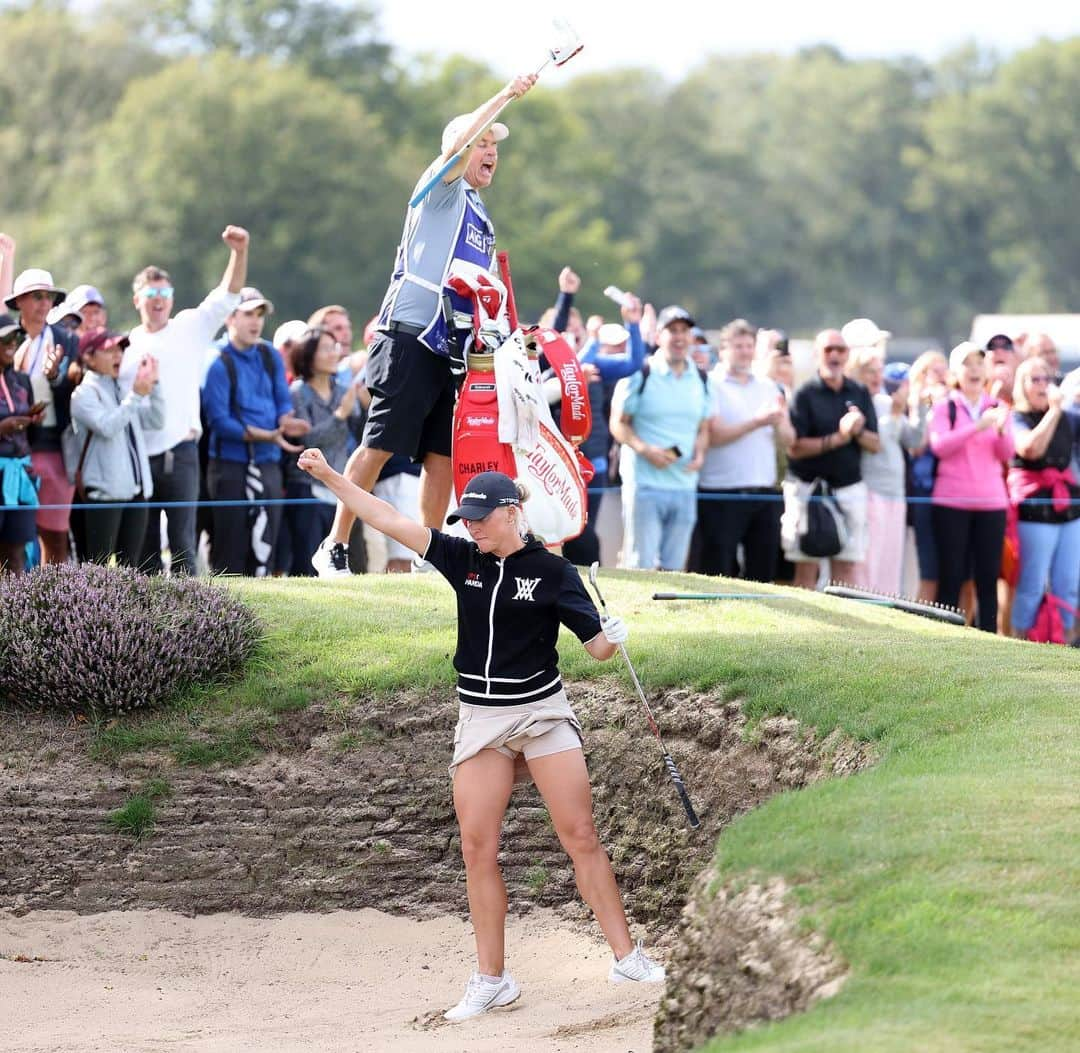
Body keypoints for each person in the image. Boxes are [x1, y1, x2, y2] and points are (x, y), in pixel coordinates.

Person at [295, 455, 665, 1019]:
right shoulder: (459, 556)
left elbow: (595, 649)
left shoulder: (554, 572)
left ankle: (626, 957)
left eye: (481, 518)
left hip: (542, 713)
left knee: (580, 834)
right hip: (483, 718)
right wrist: (329, 477)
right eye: (465, 518)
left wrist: (613, 636)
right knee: (477, 848)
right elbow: (387, 517)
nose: (470, 527)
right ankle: (492, 978)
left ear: (513, 513)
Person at [311, 72, 539, 578]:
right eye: (482, 141)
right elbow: (457, 149)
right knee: (380, 444)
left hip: (449, 350)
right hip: (408, 337)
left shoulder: (480, 210)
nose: (490, 151)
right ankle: (334, 544)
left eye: (494, 146)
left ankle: (426, 555)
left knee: (442, 457)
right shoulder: (441, 186)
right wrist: (505, 96)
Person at [120, 226, 250, 574]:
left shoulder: (187, 327)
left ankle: (190, 620)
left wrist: (239, 252)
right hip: (139, 456)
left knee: (182, 541)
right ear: (137, 300)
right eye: (151, 293)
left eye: (165, 292)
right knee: (143, 545)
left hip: (182, 452)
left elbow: (228, 295)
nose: (159, 299)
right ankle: (142, 623)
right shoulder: (126, 347)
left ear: (172, 299)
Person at [201, 288, 309, 576]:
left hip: (268, 461)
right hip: (229, 466)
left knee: (266, 544)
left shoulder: (269, 354)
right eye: (249, 313)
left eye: (260, 314)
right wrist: (268, 434)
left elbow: (281, 399)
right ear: (230, 318)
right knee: (230, 549)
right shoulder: (216, 361)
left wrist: (286, 421)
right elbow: (220, 422)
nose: (256, 321)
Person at [610, 305, 713, 571]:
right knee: (640, 566)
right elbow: (618, 424)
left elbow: (703, 427)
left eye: (684, 331)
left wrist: (700, 454)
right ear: (658, 336)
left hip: (684, 485)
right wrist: (645, 450)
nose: (679, 337)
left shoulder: (701, 378)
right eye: (672, 331)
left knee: (674, 570)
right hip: (645, 484)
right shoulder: (639, 373)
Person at [695, 318, 793, 581]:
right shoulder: (710, 384)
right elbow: (714, 436)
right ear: (723, 350)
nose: (745, 351)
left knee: (762, 575)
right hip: (720, 491)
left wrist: (781, 422)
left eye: (749, 346)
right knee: (717, 571)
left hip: (764, 491)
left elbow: (789, 438)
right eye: (738, 346)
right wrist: (758, 422)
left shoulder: (768, 386)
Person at [783, 329, 880, 589]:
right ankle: (802, 628)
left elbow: (875, 444)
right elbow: (795, 448)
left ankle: (841, 629)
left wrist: (857, 430)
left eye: (840, 350)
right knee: (806, 567)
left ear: (847, 355)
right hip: (808, 490)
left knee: (845, 570)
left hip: (848, 488)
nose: (834, 355)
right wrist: (837, 438)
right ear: (817, 355)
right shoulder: (804, 394)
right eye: (828, 350)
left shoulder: (858, 391)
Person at [929, 342, 1014, 632]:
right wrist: (977, 426)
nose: (975, 370)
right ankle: (944, 637)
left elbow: (1006, 454)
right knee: (952, 577)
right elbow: (940, 446)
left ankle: (988, 639)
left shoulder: (998, 407)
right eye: (968, 364)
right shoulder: (945, 407)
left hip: (991, 503)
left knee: (987, 579)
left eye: (979, 364)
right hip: (951, 503)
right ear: (957, 371)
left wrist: (1000, 432)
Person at [5, 267, 80, 564]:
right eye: (37, 296)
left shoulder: (67, 340)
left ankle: (54, 602)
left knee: (54, 535)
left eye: (49, 296)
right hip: (15, 449)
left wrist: (55, 378)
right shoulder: (9, 340)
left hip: (56, 448)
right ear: (20, 301)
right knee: (13, 536)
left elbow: (73, 391)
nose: (44, 303)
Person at [68, 331, 163, 567]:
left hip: (136, 492)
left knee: (130, 567)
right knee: (96, 568)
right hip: (104, 494)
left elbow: (156, 421)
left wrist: (155, 385)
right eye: (110, 350)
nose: (118, 355)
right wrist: (136, 395)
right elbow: (108, 426)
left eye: (120, 350)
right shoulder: (83, 394)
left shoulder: (121, 390)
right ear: (89, 358)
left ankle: (128, 607)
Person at [1007, 357, 1080, 638]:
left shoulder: (1069, 417)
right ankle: (1020, 645)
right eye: (1034, 380)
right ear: (1022, 385)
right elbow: (1030, 449)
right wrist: (1053, 411)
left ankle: (1067, 646)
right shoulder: (1016, 417)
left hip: (1069, 511)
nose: (1041, 385)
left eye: (1046, 379)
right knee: (1032, 585)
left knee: (1069, 584)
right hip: (1034, 513)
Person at [285, 326, 363, 576]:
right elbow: (310, 440)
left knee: (351, 562)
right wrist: (340, 415)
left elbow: (359, 430)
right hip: (308, 488)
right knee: (306, 564)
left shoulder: (343, 390)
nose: (334, 354)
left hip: (341, 487)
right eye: (327, 349)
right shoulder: (297, 393)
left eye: (335, 348)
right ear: (308, 355)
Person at [849, 358, 926, 595]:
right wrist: (895, 414)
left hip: (895, 494)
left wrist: (919, 408)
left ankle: (886, 614)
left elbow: (912, 439)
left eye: (878, 372)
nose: (875, 377)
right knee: (867, 565)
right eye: (868, 371)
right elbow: (877, 443)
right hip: (869, 492)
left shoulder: (884, 402)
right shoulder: (853, 404)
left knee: (890, 565)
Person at [0, 311, 43, 574]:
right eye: (5, 338)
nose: (12, 343)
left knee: (16, 552)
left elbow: (32, 438)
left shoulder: (22, 381)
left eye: (16, 337)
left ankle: (15, 613)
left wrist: (33, 421)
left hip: (21, 476)